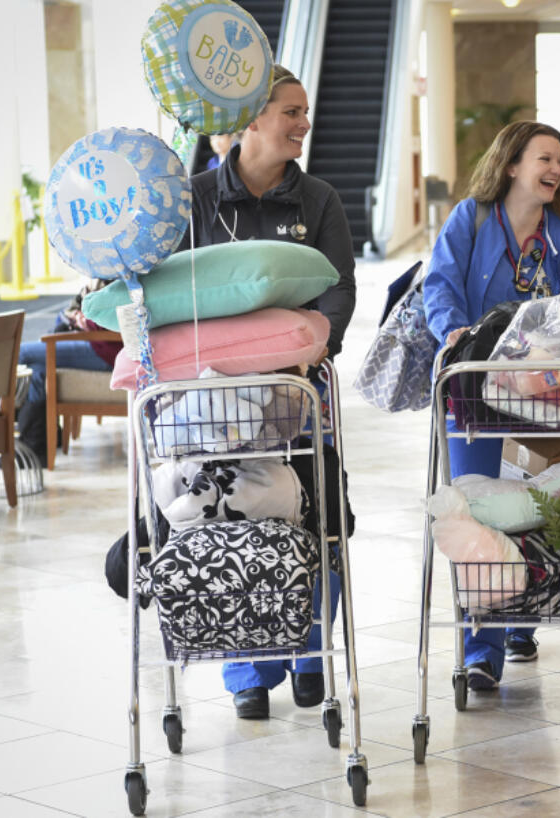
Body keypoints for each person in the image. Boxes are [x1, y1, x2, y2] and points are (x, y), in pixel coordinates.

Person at [181, 64, 356, 720]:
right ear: (251, 118)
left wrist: (314, 344)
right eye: (291, 111)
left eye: (304, 111)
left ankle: (310, 650)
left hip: (300, 393)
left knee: (317, 519)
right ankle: (248, 668)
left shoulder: (319, 202)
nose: (304, 124)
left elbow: (340, 287)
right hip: (216, 405)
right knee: (232, 523)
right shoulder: (195, 199)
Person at [423, 120, 560, 692]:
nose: (555, 170)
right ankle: (482, 648)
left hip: (548, 396)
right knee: (473, 510)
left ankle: (524, 612)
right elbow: (440, 285)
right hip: (476, 392)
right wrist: (453, 333)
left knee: (541, 503)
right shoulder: (471, 221)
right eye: (544, 159)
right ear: (511, 165)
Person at [14, 280, 121, 468]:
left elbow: (115, 319)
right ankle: (38, 445)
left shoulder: (120, 276)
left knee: (20, 353)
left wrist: (85, 320)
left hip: (105, 350)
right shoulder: (102, 275)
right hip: (97, 343)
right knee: (38, 370)